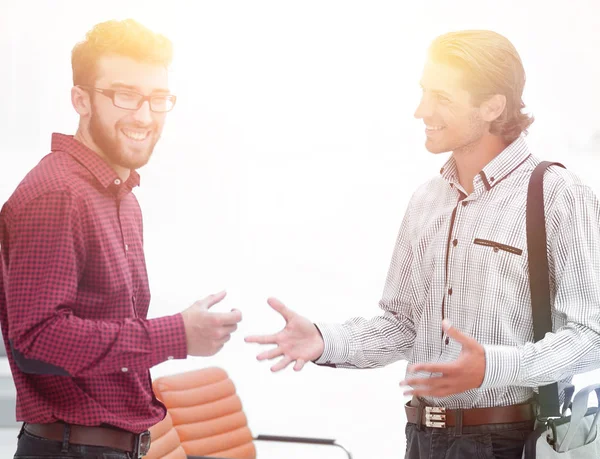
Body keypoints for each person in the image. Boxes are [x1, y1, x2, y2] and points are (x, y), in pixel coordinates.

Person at [246, 29, 600, 459]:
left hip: (510, 441)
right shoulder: (427, 200)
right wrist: (325, 340)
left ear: (493, 105)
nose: (421, 111)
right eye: (423, 93)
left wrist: (494, 366)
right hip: (422, 438)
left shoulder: (559, 194)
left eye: (442, 98)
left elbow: (592, 334)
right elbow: (404, 326)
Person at [0, 19, 242, 459]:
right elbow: (37, 339)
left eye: (157, 99)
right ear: (81, 100)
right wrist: (176, 336)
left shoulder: (122, 198)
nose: (144, 116)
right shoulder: (58, 193)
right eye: (125, 96)